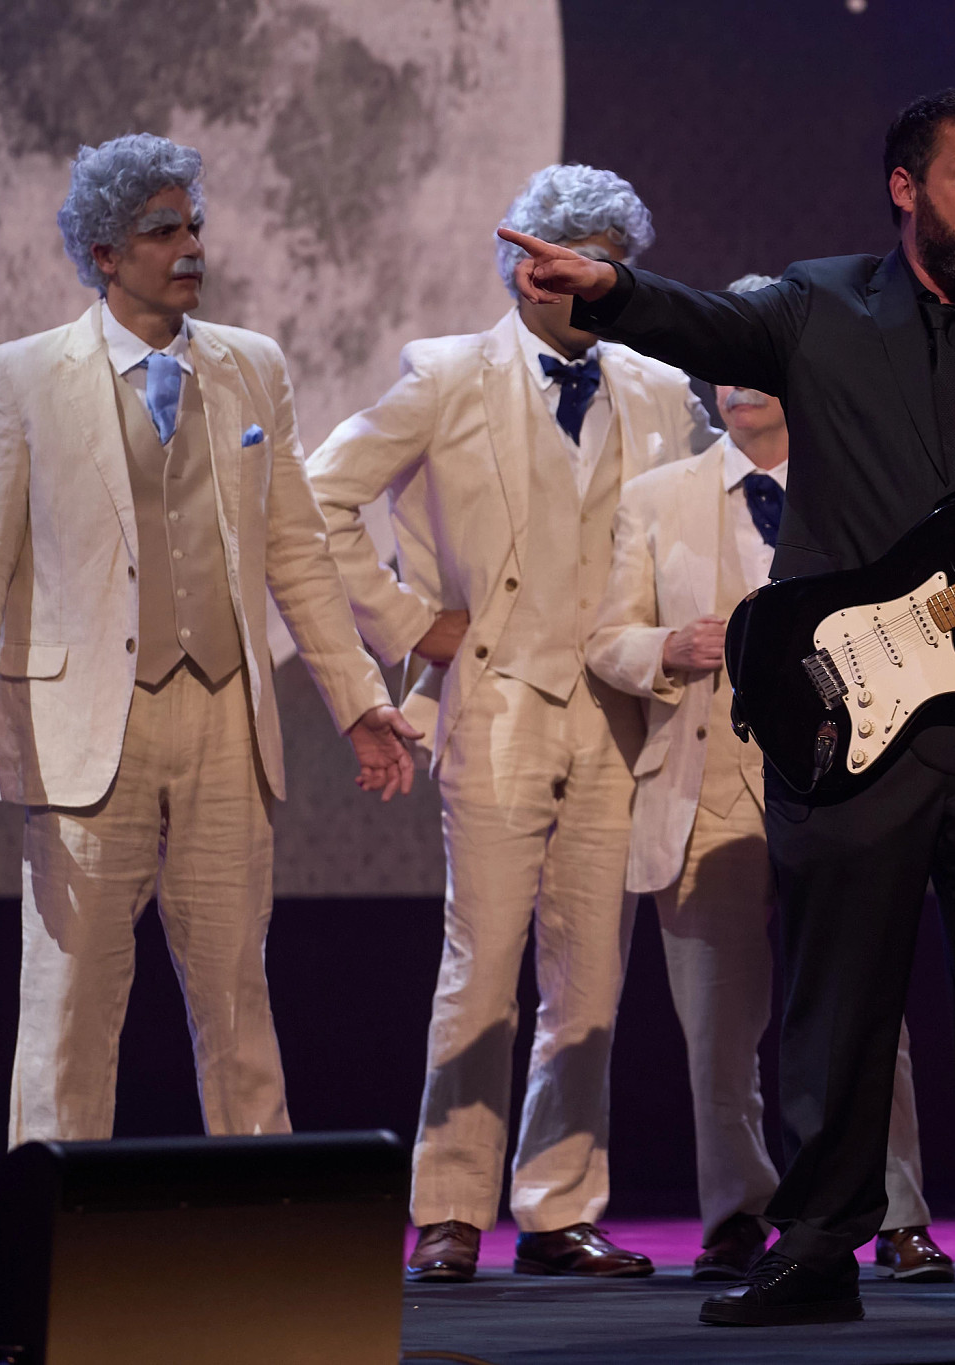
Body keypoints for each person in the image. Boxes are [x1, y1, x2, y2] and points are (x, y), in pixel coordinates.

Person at [501, 88, 955, 1327]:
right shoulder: (817, 304)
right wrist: (608, 288)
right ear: (905, 188)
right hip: (848, 722)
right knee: (835, 999)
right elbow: (703, 322)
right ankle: (819, 1246)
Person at [0, 134, 417, 1147]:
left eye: (194, 225)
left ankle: (259, 1212)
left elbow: (295, 550)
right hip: (84, 726)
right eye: (162, 231)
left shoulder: (252, 366)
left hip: (224, 719)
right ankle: (51, 1213)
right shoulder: (24, 377)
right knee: (70, 1002)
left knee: (237, 991)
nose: (190, 246)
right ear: (105, 254)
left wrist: (359, 699)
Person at [305, 165, 712, 1284]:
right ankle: (448, 1206)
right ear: (523, 268)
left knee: (590, 976)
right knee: (480, 961)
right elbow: (317, 496)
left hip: (616, 710)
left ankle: (559, 1206)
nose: (587, 282)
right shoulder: (446, 374)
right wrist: (408, 622)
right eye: (568, 261)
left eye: (607, 264)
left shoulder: (656, 386)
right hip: (495, 702)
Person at [585, 276, 955, 1285]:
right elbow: (607, 638)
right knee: (717, 1028)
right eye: (725, 361)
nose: (738, 381)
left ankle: (897, 1212)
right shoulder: (657, 496)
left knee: (863, 1009)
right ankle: (739, 1213)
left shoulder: (858, 485)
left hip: (842, 775)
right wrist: (669, 645)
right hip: (703, 783)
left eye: (757, 360)